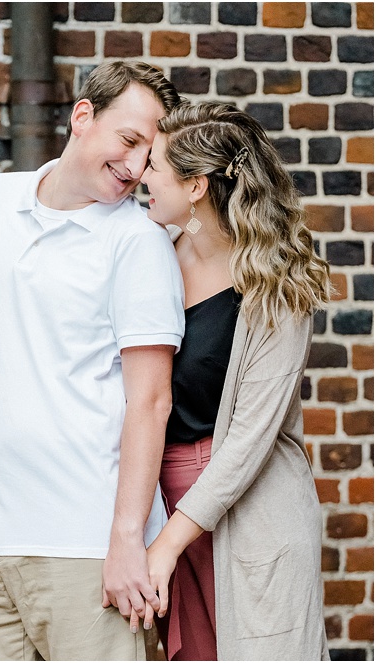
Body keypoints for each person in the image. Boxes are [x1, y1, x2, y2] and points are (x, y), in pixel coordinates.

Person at [0, 61, 185, 660]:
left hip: (88, 547)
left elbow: (151, 399)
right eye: (130, 139)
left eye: (151, 153)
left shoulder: (137, 242)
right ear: (83, 117)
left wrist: (126, 542)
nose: (137, 165)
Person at [139, 102, 331, 660]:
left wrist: (168, 544)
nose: (140, 177)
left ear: (196, 186)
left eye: (154, 166)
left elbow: (249, 441)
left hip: (250, 506)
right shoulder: (150, 256)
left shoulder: (276, 283)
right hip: (161, 495)